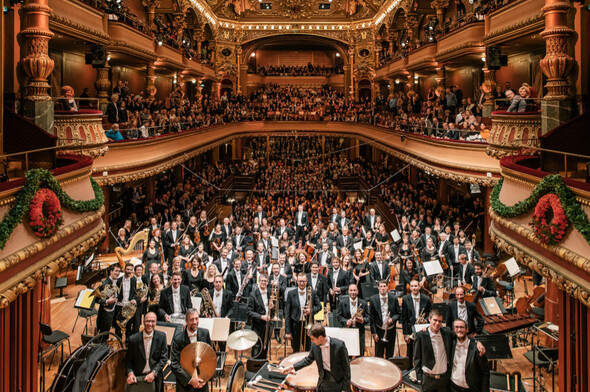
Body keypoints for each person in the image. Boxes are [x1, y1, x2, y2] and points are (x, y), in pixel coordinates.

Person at [281, 324, 351, 392]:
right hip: (323, 381)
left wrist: (346, 389)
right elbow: (308, 360)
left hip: (337, 382)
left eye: (312, 339)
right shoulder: (314, 346)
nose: (311, 341)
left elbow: (347, 368)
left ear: (320, 337)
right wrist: (291, 367)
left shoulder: (339, 345)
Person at [124, 312, 168, 392]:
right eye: (147, 321)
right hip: (138, 379)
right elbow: (128, 360)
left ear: (156, 322)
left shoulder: (162, 337)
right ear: (143, 322)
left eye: (153, 321)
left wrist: (153, 373)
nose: (150, 324)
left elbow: (164, 358)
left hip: (155, 378)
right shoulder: (133, 339)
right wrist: (130, 373)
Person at [170, 309, 212, 392]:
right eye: (192, 319)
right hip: (185, 383)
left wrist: (205, 378)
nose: (195, 322)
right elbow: (174, 364)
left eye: (196, 318)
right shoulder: (178, 339)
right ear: (186, 321)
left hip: (202, 381)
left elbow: (210, 357)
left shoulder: (205, 333)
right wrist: (190, 380)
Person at [413, 309, 454, 391]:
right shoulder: (421, 336)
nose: (437, 323)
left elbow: (461, 336)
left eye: (440, 321)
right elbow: (417, 358)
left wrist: (476, 342)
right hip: (428, 379)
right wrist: (419, 378)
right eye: (435, 320)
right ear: (429, 319)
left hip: (444, 379)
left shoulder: (447, 332)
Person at [450, 319, 490, 392]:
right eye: (457, 327)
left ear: (467, 329)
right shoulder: (450, 344)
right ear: (453, 329)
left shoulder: (477, 349)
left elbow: (485, 373)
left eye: (462, 327)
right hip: (453, 387)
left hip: (471, 389)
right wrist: (426, 328)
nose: (459, 330)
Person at [285, 273, 321, 352]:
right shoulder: (291, 293)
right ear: (297, 281)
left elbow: (319, 307)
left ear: (307, 281)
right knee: (296, 350)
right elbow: (287, 313)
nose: (302, 283)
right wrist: (288, 331)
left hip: (308, 325)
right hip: (295, 326)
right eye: (300, 281)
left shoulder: (313, 292)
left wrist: (311, 311)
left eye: (303, 281)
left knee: (308, 350)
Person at [402, 280, 432, 364]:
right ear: (410, 288)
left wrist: (425, 320)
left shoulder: (426, 298)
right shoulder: (405, 299)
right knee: (410, 352)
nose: (414, 288)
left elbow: (430, 313)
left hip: (422, 328)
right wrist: (405, 334)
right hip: (410, 329)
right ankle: (409, 370)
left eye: (416, 286)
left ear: (419, 287)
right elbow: (404, 318)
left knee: (422, 351)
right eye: (412, 286)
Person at [369, 280, 401, 358]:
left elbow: (399, 313)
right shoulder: (373, 299)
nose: (383, 288)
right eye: (381, 286)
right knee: (378, 354)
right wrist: (374, 333)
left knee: (390, 354)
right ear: (378, 288)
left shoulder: (393, 298)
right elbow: (371, 318)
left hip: (391, 330)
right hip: (379, 330)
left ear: (387, 287)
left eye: (384, 286)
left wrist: (392, 319)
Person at [337, 284, 369, 356]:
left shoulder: (363, 303)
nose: (353, 292)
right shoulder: (342, 303)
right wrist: (346, 322)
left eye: (354, 290)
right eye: (351, 290)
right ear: (348, 291)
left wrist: (362, 320)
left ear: (357, 291)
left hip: (359, 331)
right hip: (348, 331)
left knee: (360, 354)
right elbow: (339, 317)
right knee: (348, 354)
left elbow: (368, 317)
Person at [247, 274, 274, 358]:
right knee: (257, 346)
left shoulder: (271, 293)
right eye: (262, 281)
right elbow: (249, 311)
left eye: (265, 281)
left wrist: (272, 308)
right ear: (259, 281)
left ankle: (263, 365)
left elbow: (275, 308)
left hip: (268, 324)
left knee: (265, 345)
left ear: (268, 282)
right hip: (257, 325)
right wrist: (261, 317)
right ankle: (254, 365)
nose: (263, 282)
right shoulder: (253, 294)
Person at [96, 264, 121, 334]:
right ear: (111, 272)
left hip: (114, 309)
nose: (118, 273)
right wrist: (107, 301)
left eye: (119, 271)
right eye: (116, 271)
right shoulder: (105, 284)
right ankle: (102, 344)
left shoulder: (117, 281)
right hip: (106, 312)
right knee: (104, 331)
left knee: (109, 328)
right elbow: (97, 300)